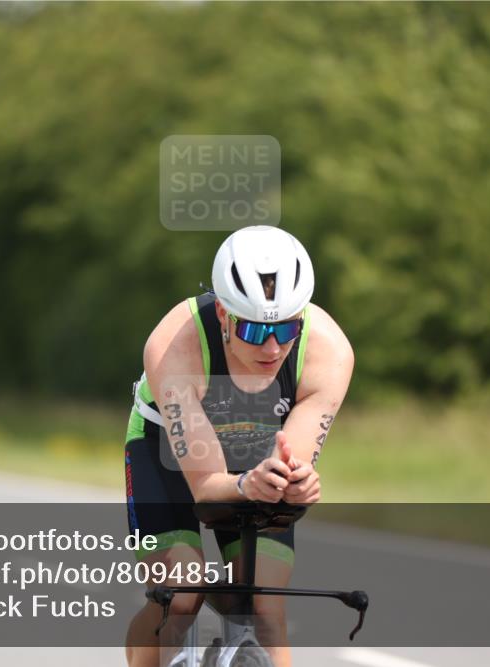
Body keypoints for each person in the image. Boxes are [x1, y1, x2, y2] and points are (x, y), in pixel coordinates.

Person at [123, 226, 355, 667]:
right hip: (167, 452)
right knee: (180, 595)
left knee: (265, 611)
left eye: (286, 328)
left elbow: (288, 463)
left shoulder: (330, 353)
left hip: (256, 449)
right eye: (253, 329)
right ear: (223, 314)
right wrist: (247, 483)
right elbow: (207, 485)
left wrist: (295, 484)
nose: (273, 346)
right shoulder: (175, 345)